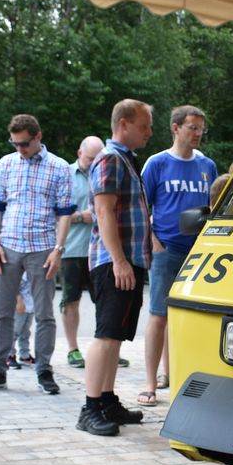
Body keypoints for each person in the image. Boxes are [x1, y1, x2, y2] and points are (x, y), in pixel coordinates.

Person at [0, 113, 74, 396]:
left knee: (44, 313)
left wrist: (58, 249)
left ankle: (43, 369)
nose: (20, 149)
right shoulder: (5, 164)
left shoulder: (59, 167)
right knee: (3, 312)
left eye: (24, 144)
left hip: (42, 246)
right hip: (8, 246)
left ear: (38, 137)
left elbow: (65, 212)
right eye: (15, 143)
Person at [76, 99, 152, 435]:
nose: (149, 132)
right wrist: (119, 260)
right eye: (144, 126)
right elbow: (103, 212)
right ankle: (90, 408)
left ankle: (106, 400)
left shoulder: (125, 160)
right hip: (113, 262)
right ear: (123, 124)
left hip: (128, 260)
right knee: (106, 336)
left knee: (117, 336)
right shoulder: (109, 158)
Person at [138, 105, 218, 407]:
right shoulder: (157, 163)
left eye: (200, 129)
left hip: (199, 252)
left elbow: (212, 205)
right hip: (167, 250)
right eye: (192, 128)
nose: (197, 134)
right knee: (159, 315)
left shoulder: (207, 165)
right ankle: (150, 382)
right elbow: (142, 205)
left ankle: (179, 375)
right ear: (175, 128)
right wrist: (154, 241)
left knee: (190, 317)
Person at [61, 136, 129, 369]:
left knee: (105, 301)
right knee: (71, 301)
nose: (94, 162)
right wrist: (82, 217)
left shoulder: (107, 170)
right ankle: (72, 349)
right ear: (79, 153)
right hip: (73, 249)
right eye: (90, 158)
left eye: (97, 157)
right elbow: (56, 213)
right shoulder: (65, 176)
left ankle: (106, 347)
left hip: (101, 251)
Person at [8, 272, 34, 368]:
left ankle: (24, 355)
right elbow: (13, 285)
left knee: (25, 331)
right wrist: (18, 300)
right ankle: (9, 355)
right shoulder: (22, 270)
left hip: (31, 305)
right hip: (20, 305)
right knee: (14, 331)